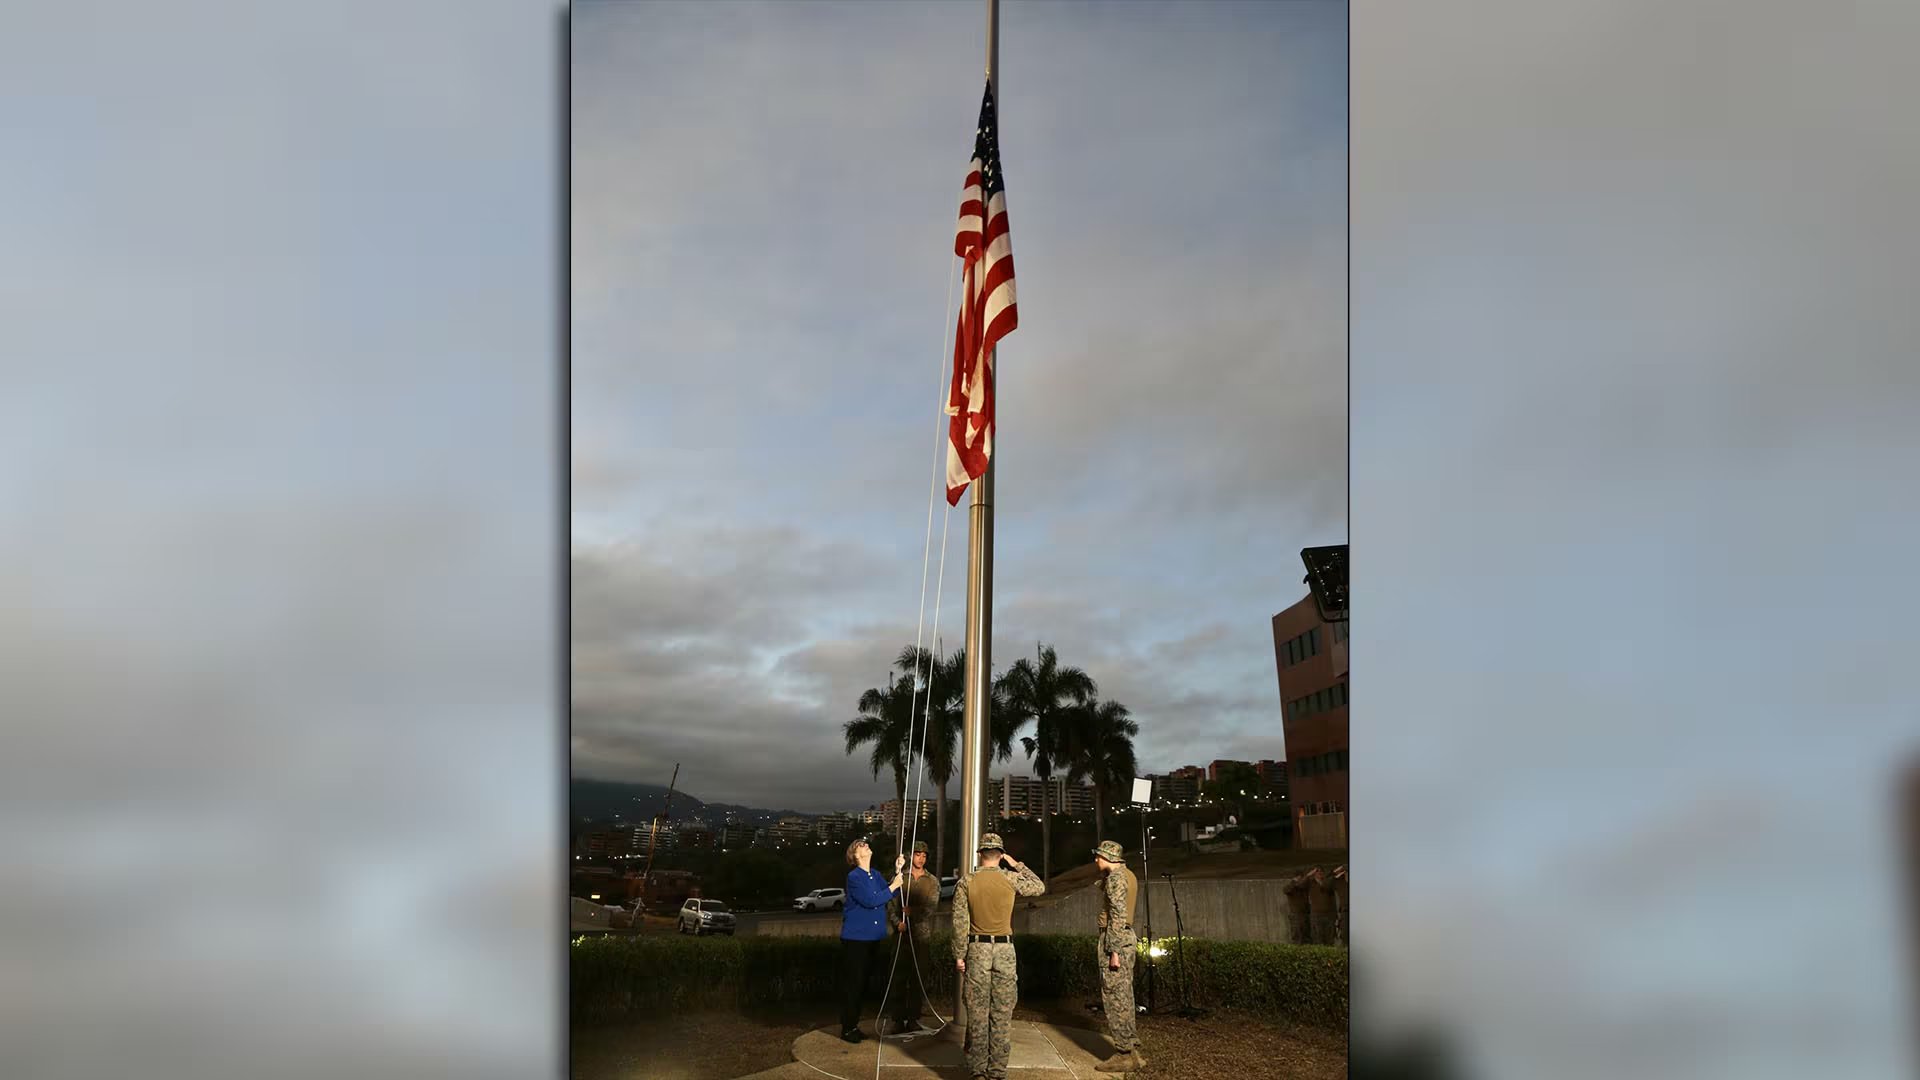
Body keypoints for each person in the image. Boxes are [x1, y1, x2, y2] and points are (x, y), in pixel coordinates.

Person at [952, 833, 1045, 1080]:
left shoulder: (966, 881)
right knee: (1002, 1014)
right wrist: (1016, 864)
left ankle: (978, 1072)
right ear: (1001, 855)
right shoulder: (1011, 878)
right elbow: (1039, 886)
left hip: (977, 950)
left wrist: (959, 955)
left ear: (980, 854)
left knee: (977, 1014)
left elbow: (960, 923)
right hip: (1005, 950)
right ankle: (997, 1072)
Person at [839, 837, 905, 1043]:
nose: (865, 845)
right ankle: (848, 1028)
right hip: (856, 939)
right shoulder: (854, 877)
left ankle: (854, 1025)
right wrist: (893, 886)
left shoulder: (874, 874)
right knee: (854, 984)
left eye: (865, 844)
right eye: (860, 845)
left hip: (873, 937)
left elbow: (889, 891)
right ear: (855, 855)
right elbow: (871, 900)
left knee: (864, 984)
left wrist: (897, 871)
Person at [1089, 840, 1147, 1073]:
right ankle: (1132, 1052)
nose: (1096, 860)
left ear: (1108, 857)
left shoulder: (1115, 879)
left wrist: (1113, 951)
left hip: (1116, 939)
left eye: (1099, 856)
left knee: (1115, 997)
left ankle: (1123, 1054)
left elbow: (1117, 915)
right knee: (1124, 995)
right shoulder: (1127, 875)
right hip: (1125, 937)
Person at [883, 839, 940, 1035]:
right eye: (918, 855)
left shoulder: (932, 881)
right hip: (901, 934)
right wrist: (896, 922)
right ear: (911, 856)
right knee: (898, 977)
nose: (921, 859)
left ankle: (914, 1018)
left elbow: (931, 907)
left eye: (924, 856)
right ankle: (898, 1019)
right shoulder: (900, 877)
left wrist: (913, 912)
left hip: (921, 935)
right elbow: (891, 904)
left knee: (918, 978)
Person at [1306, 865, 1337, 945]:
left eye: (1321, 871)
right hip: (1316, 915)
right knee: (1318, 938)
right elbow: (1299, 884)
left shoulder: (1328, 883)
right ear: (1314, 873)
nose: (1319, 873)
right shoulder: (1310, 883)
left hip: (1329, 915)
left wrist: (1335, 915)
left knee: (1329, 938)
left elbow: (1333, 899)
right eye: (1317, 871)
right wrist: (1308, 875)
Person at [1283, 867, 1314, 945]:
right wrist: (1306, 877)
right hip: (1296, 915)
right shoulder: (1290, 886)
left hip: (1305, 913)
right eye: (1301, 877)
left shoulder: (1304, 887)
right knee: (1297, 936)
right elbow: (1286, 890)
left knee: (1307, 936)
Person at [1330, 864, 1348, 948]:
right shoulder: (1338, 882)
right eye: (1345, 872)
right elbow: (1326, 883)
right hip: (1345, 911)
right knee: (1344, 933)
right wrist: (1334, 872)